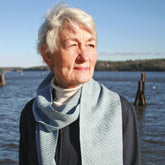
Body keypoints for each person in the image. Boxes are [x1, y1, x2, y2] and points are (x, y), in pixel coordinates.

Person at [19, 3, 141, 165]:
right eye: (73, 45)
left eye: (90, 45)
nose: (85, 56)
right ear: (48, 55)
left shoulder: (120, 110)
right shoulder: (31, 114)